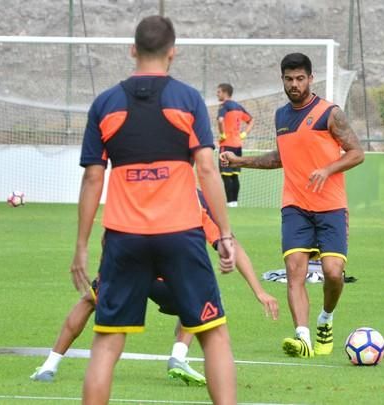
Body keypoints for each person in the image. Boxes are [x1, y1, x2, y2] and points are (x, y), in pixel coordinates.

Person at [70, 15, 236, 404]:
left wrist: (81, 244)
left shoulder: (105, 104)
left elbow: (93, 179)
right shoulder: (188, 99)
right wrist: (224, 234)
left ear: (133, 50)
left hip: (123, 237)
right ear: (172, 53)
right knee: (213, 333)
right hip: (181, 234)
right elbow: (208, 168)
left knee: (107, 343)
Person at [31, 196, 279, 386]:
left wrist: (104, 271)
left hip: (128, 269)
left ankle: (48, 367)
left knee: (88, 302)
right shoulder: (196, 198)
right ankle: (178, 357)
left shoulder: (140, 191)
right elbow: (230, 245)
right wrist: (259, 291)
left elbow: (110, 235)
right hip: (169, 278)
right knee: (201, 294)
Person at [220, 52, 364, 359]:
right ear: (283, 80)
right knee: (294, 269)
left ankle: (326, 319)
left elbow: (356, 153)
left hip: (331, 207)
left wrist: (327, 169)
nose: (294, 84)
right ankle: (303, 338)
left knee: (334, 273)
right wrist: (240, 160)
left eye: (300, 78)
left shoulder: (330, 113)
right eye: (289, 79)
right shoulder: (281, 116)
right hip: (295, 206)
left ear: (311, 79)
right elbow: (279, 158)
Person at [216, 83, 254, 207]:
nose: (217, 94)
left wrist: (222, 134)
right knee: (234, 174)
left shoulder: (224, 106)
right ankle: (234, 203)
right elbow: (251, 120)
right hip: (237, 145)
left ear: (225, 92)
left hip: (226, 144)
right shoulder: (238, 106)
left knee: (226, 174)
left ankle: (229, 203)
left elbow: (220, 120)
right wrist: (244, 134)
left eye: (219, 92)